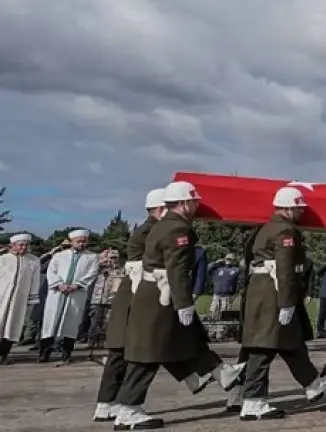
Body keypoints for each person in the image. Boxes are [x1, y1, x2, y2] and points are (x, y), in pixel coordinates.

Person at [110, 182, 245, 430]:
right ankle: (128, 409)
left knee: (182, 339)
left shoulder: (163, 225)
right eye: (194, 201)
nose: (197, 205)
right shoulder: (178, 228)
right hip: (162, 296)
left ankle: (221, 373)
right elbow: (178, 269)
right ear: (183, 203)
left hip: (154, 293)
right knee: (150, 351)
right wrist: (184, 303)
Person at [235, 186, 326, 420]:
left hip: (263, 291)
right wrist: (287, 302)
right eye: (298, 208)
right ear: (288, 208)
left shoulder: (265, 228)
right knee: (264, 347)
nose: (302, 212)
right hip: (273, 293)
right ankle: (253, 401)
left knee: (291, 341)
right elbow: (285, 269)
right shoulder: (285, 230)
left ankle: (313, 385)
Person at [39, 229, 99, 364]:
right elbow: (51, 271)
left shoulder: (92, 257)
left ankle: (66, 353)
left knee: (72, 323)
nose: (81, 244)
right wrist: (59, 284)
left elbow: (92, 273)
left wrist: (77, 285)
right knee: (50, 322)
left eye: (84, 241)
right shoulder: (59, 256)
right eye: (79, 241)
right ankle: (45, 352)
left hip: (76, 293)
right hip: (57, 293)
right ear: (72, 241)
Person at [0, 233, 41, 364]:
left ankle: (4, 354)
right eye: (21, 245)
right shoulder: (3, 259)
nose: (24, 248)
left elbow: (35, 280)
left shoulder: (34, 260)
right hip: (2, 297)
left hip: (19, 299)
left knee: (12, 326)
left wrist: (32, 297)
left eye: (26, 245)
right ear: (13, 245)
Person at [209, 254, 241, 319]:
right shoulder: (218, 269)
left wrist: (236, 292)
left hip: (227, 296)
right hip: (216, 295)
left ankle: (224, 324)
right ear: (224, 259)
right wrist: (216, 262)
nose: (228, 260)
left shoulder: (236, 270)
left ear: (234, 261)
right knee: (213, 314)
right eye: (227, 259)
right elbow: (208, 269)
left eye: (230, 259)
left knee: (225, 315)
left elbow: (239, 281)